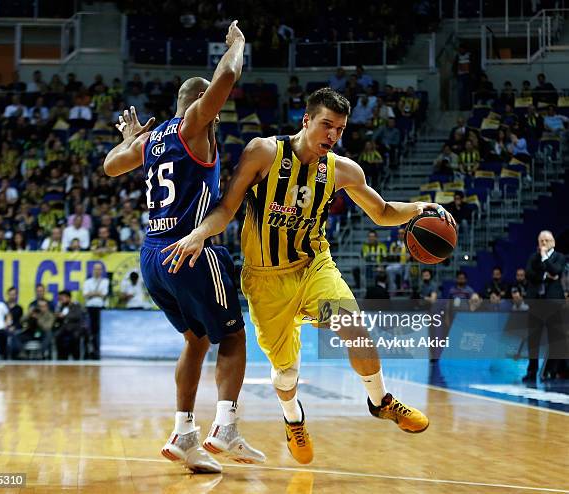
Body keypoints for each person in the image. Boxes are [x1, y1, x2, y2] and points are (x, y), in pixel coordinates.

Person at [163, 87, 455, 465]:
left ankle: (380, 400)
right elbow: (227, 206)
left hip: (314, 265)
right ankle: (294, 420)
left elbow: (381, 212)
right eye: (326, 125)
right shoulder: (263, 153)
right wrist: (200, 233)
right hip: (265, 280)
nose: (333, 136)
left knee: (354, 325)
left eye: (340, 129)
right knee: (285, 375)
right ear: (306, 121)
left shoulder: (342, 170)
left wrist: (420, 207)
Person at [102, 21, 264, 473]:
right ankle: (226, 428)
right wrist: (237, 45)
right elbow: (227, 78)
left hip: (152, 256)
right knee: (232, 336)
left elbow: (111, 165)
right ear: (198, 106)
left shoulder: (152, 141)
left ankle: (183, 433)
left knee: (195, 340)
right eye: (210, 108)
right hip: (189, 250)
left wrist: (130, 138)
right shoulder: (193, 124)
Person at [523, 230, 567, 381]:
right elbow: (529, 274)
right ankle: (531, 372)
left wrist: (544, 258)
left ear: (553, 242)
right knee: (533, 340)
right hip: (536, 304)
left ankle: (551, 372)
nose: (543, 243)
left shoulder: (560, 257)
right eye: (541, 241)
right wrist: (545, 275)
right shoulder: (533, 257)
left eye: (546, 241)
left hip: (553, 305)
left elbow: (556, 271)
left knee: (555, 339)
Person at [83, 262, 109, 359]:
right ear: (92, 270)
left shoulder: (105, 281)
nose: (97, 271)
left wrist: (92, 293)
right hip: (90, 308)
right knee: (90, 330)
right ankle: (90, 351)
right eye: (95, 269)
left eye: (99, 269)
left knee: (99, 331)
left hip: (100, 309)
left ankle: (98, 351)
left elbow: (104, 295)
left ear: (101, 271)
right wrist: (97, 293)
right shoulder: (87, 282)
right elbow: (85, 295)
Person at [55, 290, 85, 360]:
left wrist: (64, 316)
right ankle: (61, 358)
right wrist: (57, 316)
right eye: (60, 299)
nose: (61, 300)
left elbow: (77, 316)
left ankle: (76, 357)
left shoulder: (76, 306)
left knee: (75, 337)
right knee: (57, 336)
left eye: (62, 299)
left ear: (68, 298)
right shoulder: (61, 307)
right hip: (64, 328)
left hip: (75, 328)